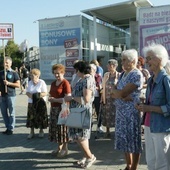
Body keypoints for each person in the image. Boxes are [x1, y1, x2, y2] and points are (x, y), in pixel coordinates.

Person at [136, 44, 170, 170]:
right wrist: (143, 104)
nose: (146, 61)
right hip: (149, 125)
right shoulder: (150, 80)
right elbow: (152, 102)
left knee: (162, 164)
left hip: (161, 127)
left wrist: (149, 108)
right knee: (151, 161)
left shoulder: (166, 79)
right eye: (146, 58)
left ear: (159, 59)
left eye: (149, 58)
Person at [112, 49, 143, 170]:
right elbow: (114, 92)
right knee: (124, 139)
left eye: (124, 60)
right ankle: (128, 165)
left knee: (133, 141)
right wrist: (118, 93)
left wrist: (119, 93)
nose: (122, 62)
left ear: (133, 61)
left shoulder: (136, 74)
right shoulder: (122, 74)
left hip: (131, 114)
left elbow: (122, 93)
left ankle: (134, 167)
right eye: (122, 59)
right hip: (121, 112)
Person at [64, 61, 96, 168]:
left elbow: (86, 99)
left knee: (81, 136)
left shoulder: (87, 79)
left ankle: (90, 156)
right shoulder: (82, 79)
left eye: (76, 69)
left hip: (82, 112)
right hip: (77, 111)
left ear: (80, 69)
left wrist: (72, 98)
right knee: (79, 137)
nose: (75, 72)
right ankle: (86, 156)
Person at [48, 64, 71, 158]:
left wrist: (56, 100)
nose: (56, 75)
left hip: (63, 110)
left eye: (58, 73)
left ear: (63, 72)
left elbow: (68, 98)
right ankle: (59, 147)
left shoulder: (65, 83)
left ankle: (65, 148)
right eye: (55, 74)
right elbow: (50, 94)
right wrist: (49, 98)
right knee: (56, 129)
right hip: (54, 109)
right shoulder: (53, 83)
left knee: (63, 130)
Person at [0, 57, 20, 135]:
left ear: (10, 63)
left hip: (11, 95)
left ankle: (11, 128)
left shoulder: (14, 73)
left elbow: (18, 85)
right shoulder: (1, 73)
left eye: (7, 63)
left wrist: (9, 83)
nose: (5, 64)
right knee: (4, 113)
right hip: (2, 96)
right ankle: (7, 127)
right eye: (4, 63)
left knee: (11, 113)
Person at [26, 68, 48, 139]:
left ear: (37, 76)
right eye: (31, 76)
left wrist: (36, 96)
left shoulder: (42, 82)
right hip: (31, 103)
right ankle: (31, 132)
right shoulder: (29, 82)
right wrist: (31, 96)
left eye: (33, 76)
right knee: (31, 117)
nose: (32, 77)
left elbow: (45, 93)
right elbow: (27, 92)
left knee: (40, 117)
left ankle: (41, 131)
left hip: (40, 103)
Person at [101, 59, 120, 138]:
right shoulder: (106, 75)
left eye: (109, 65)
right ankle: (107, 131)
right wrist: (102, 98)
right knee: (107, 115)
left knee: (116, 115)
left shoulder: (119, 75)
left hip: (115, 99)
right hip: (107, 98)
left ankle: (117, 131)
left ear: (114, 66)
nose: (107, 67)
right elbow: (103, 86)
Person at [90, 63, 103, 133]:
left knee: (98, 111)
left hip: (97, 96)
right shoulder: (86, 77)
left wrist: (96, 87)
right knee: (89, 112)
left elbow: (100, 86)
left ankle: (99, 126)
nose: (89, 71)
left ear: (94, 70)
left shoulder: (98, 77)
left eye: (91, 69)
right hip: (89, 97)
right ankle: (89, 126)